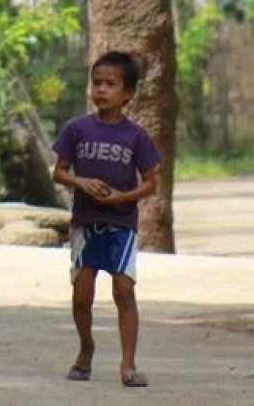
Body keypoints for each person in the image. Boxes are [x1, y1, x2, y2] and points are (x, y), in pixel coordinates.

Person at [52, 50, 162, 390]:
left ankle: (128, 364)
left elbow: (150, 183)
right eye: (96, 83)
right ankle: (86, 347)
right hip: (86, 221)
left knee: (124, 290)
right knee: (82, 295)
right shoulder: (77, 129)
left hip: (121, 222)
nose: (101, 90)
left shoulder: (136, 136)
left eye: (110, 84)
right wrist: (81, 182)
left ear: (127, 93)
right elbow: (59, 172)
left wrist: (120, 197)